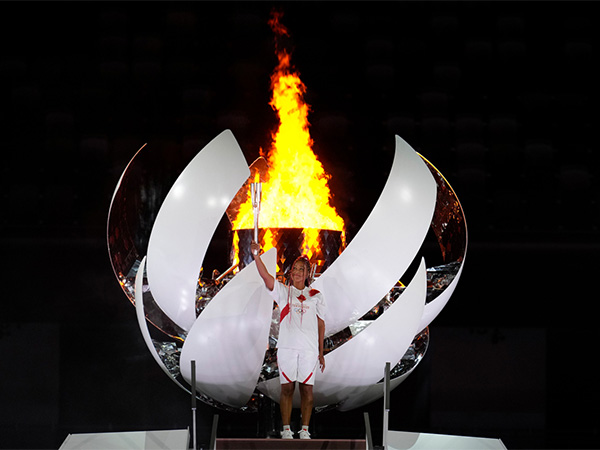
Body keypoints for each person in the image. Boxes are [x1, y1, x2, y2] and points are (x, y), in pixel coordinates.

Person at [251, 241, 326, 440]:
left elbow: (320, 325)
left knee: (307, 391)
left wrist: (321, 351)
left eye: (302, 269)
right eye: (294, 269)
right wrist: (257, 256)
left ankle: (304, 430)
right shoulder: (284, 292)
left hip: (309, 350)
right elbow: (266, 277)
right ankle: (286, 429)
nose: (297, 272)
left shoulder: (316, 296)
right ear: (291, 273)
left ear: (308, 274)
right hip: (287, 348)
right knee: (287, 388)